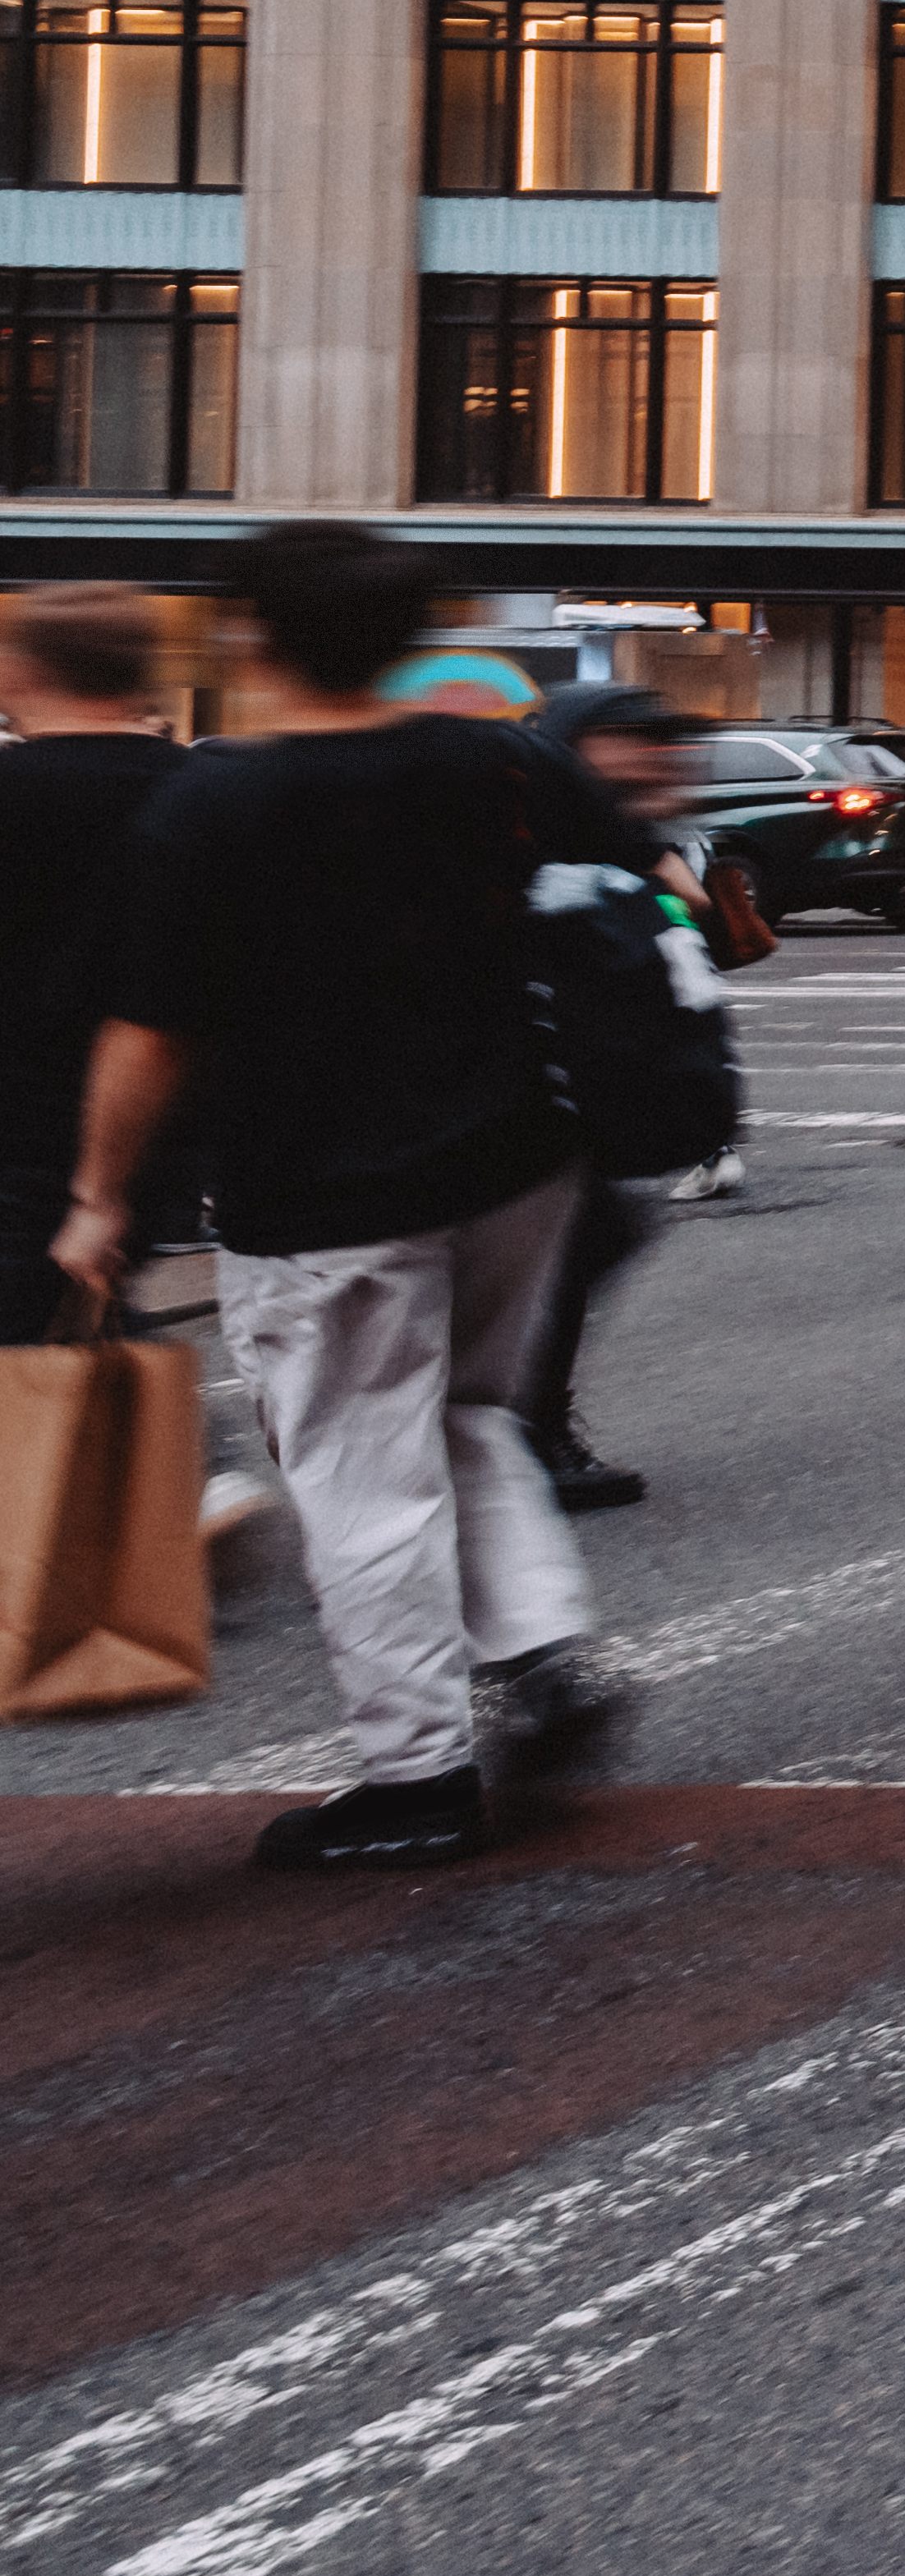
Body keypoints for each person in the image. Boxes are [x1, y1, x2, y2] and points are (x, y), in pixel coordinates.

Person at [53, 526, 654, 1869]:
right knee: (466, 1414)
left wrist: (100, 1192)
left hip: (323, 1179)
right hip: (521, 1152)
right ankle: (547, 1658)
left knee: (356, 1469)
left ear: (256, 640)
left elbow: (150, 1026)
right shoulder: (502, 759)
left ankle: (416, 1772)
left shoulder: (218, 804)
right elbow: (649, 886)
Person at [516, 686, 776, 1515]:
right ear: (572, 747)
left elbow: (693, 919)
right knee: (567, 1247)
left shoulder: (613, 830)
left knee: (588, 1238)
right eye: (639, 739)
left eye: (671, 739)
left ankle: (525, 1425)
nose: (665, 755)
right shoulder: (524, 827)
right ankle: (523, 1434)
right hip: (528, 1093)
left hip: (588, 1097)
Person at [0, 584, 191, 1358]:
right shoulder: (204, 791)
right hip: (168, 1129)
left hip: (17, 1129)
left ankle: (208, 1477)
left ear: (18, 672)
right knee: (70, 1323)